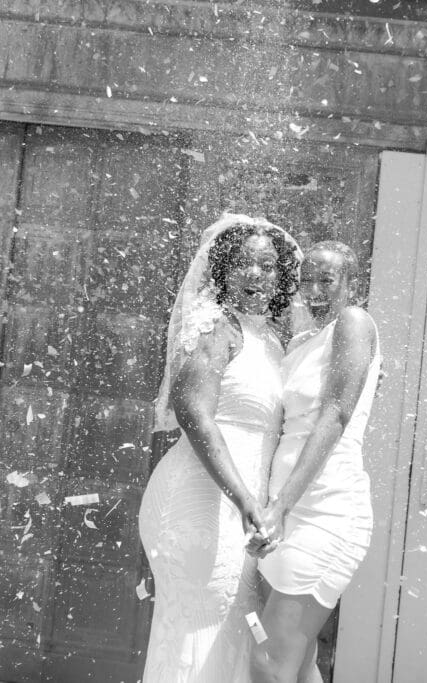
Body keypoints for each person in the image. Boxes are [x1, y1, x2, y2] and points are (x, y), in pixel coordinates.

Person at [139, 214, 302, 683]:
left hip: (245, 507)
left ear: (281, 275)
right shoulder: (214, 326)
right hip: (203, 498)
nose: (256, 275)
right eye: (244, 263)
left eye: (268, 266)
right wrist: (246, 501)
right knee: (199, 627)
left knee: (232, 630)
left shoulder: (271, 337)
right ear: (222, 270)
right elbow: (195, 418)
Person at [249, 241, 382, 683]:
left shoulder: (354, 321)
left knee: (269, 663)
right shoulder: (307, 341)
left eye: (327, 279)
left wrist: (280, 506)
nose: (314, 290)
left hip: (324, 511)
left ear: (352, 284)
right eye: (307, 280)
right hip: (286, 510)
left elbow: (336, 414)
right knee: (298, 664)